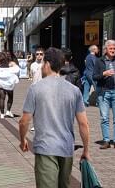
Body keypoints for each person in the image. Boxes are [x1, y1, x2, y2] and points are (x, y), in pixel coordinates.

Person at [18, 47, 91, 188]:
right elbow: (83, 123)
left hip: (45, 147)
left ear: (47, 64)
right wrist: (86, 150)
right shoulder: (74, 90)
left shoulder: (36, 89)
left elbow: (24, 121)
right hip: (66, 148)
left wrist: (23, 140)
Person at [94, 39, 115, 150]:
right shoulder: (100, 61)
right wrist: (104, 73)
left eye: (114, 48)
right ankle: (106, 140)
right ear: (106, 49)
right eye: (110, 48)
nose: (113, 50)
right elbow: (94, 76)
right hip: (103, 92)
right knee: (104, 118)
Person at [0, 51, 21, 118]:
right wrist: (13, 65)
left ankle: (2, 114)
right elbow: (17, 70)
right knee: (10, 97)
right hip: (9, 84)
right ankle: (8, 111)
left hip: (0, 83)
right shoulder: (11, 63)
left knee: (2, 98)